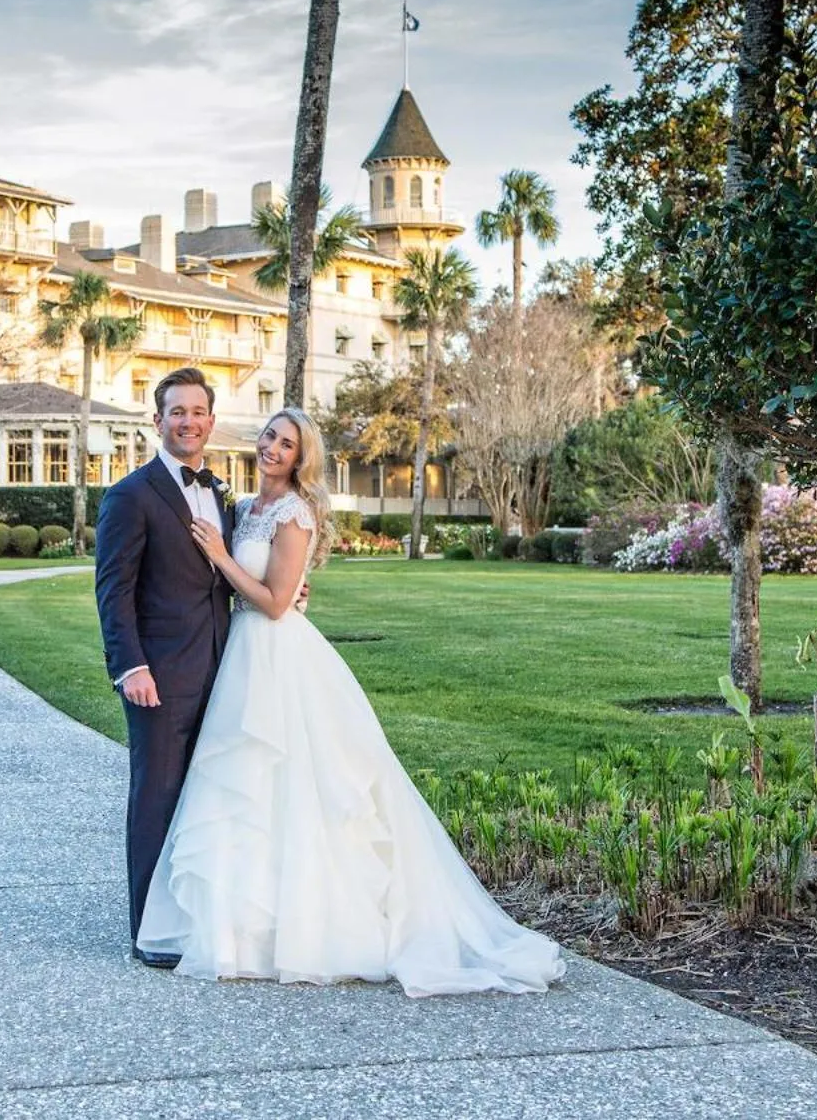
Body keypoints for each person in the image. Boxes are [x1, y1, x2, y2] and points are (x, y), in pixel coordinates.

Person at [135, 407, 565, 997]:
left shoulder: (295, 511)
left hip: (278, 655)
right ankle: (242, 930)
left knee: (297, 780)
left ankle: (312, 929)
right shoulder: (242, 507)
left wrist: (223, 557)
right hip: (240, 656)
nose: (272, 449)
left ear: (300, 458)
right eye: (269, 436)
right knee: (248, 786)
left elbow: (278, 602)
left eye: (287, 445)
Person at [93, 368, 238, 965]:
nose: (188, 421)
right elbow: (113, 590)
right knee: (155, 797)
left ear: (211, 420)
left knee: (207, 798)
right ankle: (148, 933)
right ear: (158, 422)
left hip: (223, 671)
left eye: (198, 411)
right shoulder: (130, 496)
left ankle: (197, 920)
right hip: (159, 676)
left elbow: (226, 576)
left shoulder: (222, 493)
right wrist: (131, 667)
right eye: (176, 411)